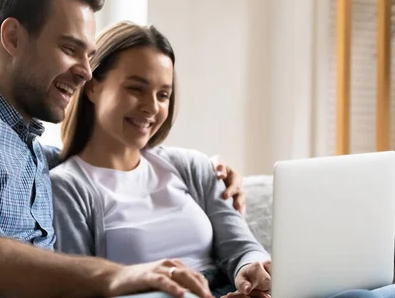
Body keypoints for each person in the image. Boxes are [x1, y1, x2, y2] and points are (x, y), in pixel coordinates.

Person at [0, 0, 245, 298]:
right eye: (70, 49)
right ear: (13, 38)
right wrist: (121, 276)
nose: (86, 72)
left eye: (89, 55)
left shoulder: (33, 152)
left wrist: (211, 172)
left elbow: (106, 160)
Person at [49, 21, 395, 298]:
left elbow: (241, 245)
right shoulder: (69, 186)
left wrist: (252, 269)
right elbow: (83, 288)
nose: (152, 107)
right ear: (92, 87)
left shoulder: (191, 166)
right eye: (136, 89)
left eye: (163, 94)